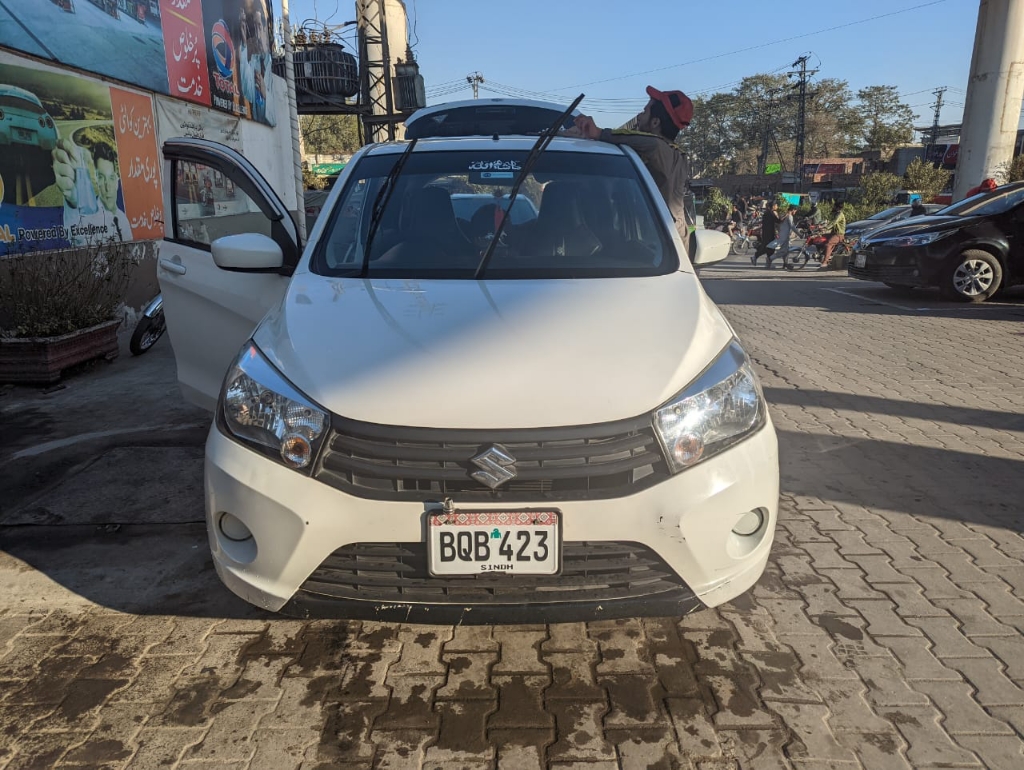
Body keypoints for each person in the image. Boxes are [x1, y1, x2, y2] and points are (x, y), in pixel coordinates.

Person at [572, 86, 694, 245]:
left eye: (644, 112)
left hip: (665, 246)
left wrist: (599, 133)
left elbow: (646, 141)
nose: (639, 117)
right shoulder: (673, 154)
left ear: (655, 122)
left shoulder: (658, 148)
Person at [52, 126, 128, 245]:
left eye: (111, 178)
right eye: (101, 177)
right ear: (96, 180)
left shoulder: (123, 219)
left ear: (117, 180)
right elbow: (77, 235)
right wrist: (73, 201)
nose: (107, 187)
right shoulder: (90, 212)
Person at [819, 200, 846, 270]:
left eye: (834, 206)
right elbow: (828, 221)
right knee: (820, 238)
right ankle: (821, 256)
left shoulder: (839, 214)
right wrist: (820, 225)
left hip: (839, 234)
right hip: (833, 233)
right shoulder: (834, 213)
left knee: (828, 244)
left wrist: (825, 228)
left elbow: (833, 222)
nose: (833, 207)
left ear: (837, 207)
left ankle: (825, 262)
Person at [752, 200, 779, 266]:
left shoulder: (767, 213)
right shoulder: (771, 213)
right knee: (768, 248)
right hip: (769, 233)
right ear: (773, 206)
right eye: (776, 205)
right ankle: (755, 256)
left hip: (767, 233)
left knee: (770, 248)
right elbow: (778, 221)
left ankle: (768, 262)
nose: (777, 206)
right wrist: (786, 216)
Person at [773, 205, 795, 270]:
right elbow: (792, 226)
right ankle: (770, 259)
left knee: (785, 250)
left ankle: (785, 264)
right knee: (784, 250)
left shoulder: (784, 214)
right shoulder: (789, 216)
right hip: (785, 235)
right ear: (793, 210)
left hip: (782, 234)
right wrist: (799, 234)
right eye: (795, 211)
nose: (795, 212)